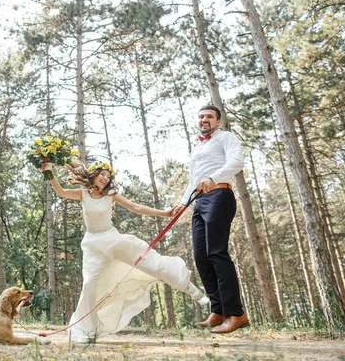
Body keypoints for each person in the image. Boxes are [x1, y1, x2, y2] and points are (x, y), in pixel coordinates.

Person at [43, 160, 209, 344]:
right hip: (92, 245)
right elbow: (60, 191)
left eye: (108, 176)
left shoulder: (111, 195)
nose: (106, 179)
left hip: (112, 240)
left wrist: (165, 213)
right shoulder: (82, 194)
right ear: (94, 174)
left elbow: (136, 208)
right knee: (89, 286)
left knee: (149, 263)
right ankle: (85, 330)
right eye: (103, 174)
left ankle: (191, 290)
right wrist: (48, 171)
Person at [168, 104, 249, 334]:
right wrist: (183, 203)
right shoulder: (196, 149)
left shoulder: (226, 137)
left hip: (219, 195)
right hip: (200, 201)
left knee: (216, 253)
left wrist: (213, 178)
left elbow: (237, 162)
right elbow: (194, 180)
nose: (204, 119)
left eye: (209, 116)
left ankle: (237, 314)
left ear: (218, 121)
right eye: (201, 116)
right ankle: (219, 310)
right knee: (201, 256)